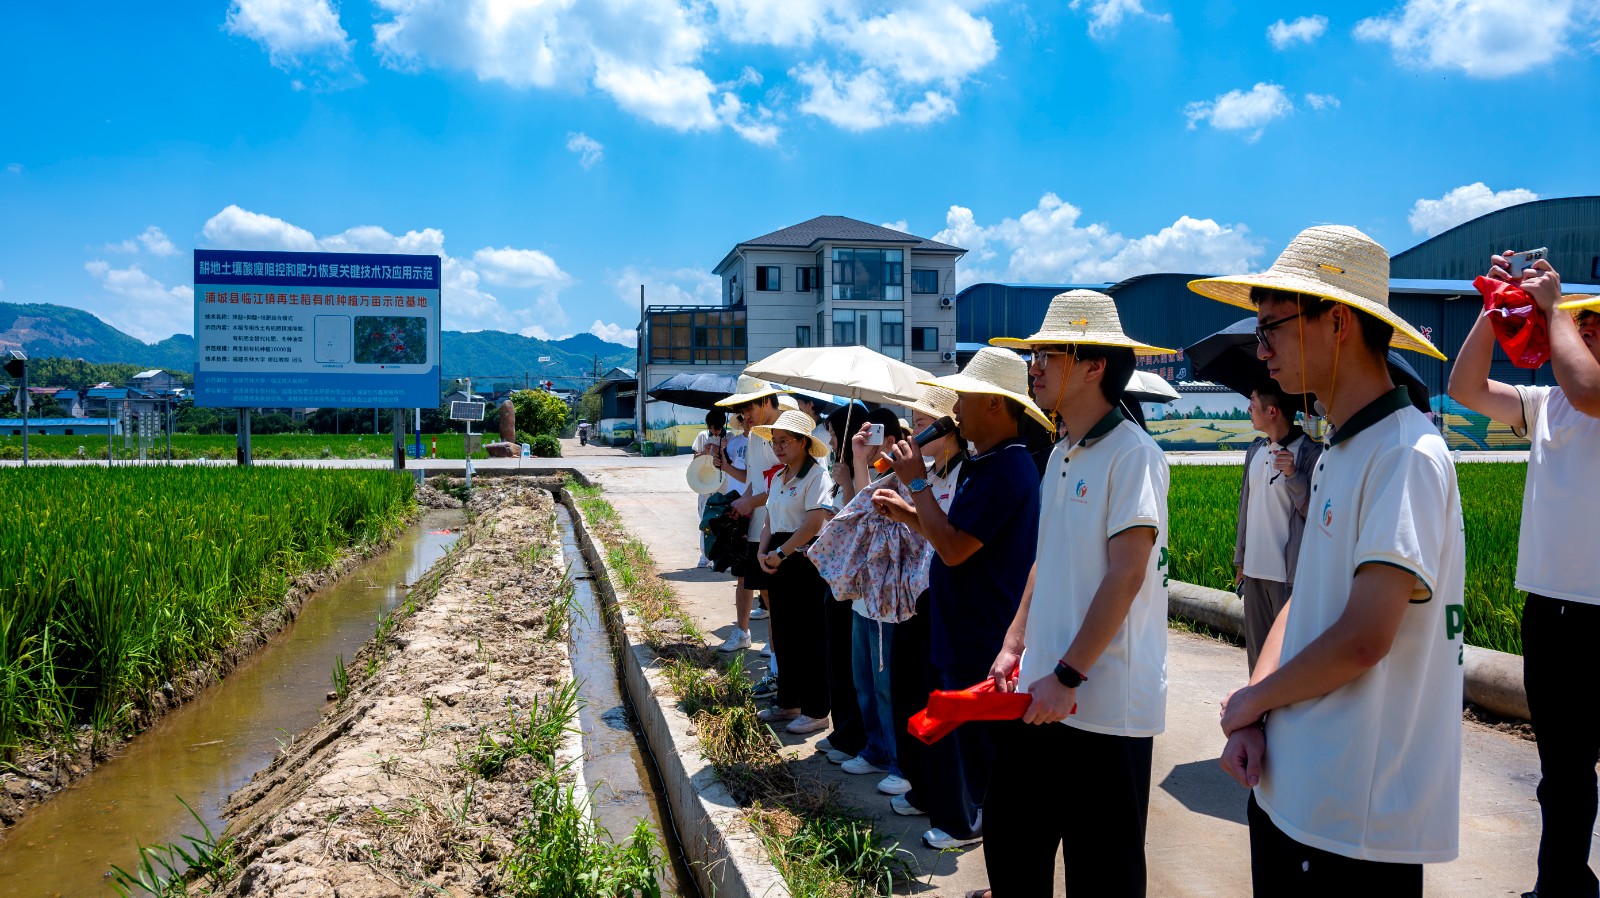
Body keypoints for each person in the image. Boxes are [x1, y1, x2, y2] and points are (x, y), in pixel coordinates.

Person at [1192, 225, 1465, 896]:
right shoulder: (1340, 451)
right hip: (1295, 790)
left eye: (1272, 330)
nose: (1262, 353)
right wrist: (1255, 712)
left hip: (1352, 822)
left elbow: (1366, 637)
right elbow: (1303, 597)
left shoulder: (1405, 455)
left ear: (1337, 321)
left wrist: (1255, 697)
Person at [980, 289, 1173, 897]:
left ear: (1095, 365)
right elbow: (1048, 558)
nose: (1033, 367)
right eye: (1033, 354)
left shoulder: (1133, 455)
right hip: (1043, 687)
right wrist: (1015, 643)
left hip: (1102, 705)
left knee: (1102, 872)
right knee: (1011, 841)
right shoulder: (1061, 451)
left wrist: (1068, 675)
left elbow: (1127, 573)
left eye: (1049, 355)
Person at [1447, 254, 1600, 898]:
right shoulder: (1545, 405)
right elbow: (1465, 388)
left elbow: (1589, 389)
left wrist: (1555, 305)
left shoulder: (1588, 396)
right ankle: (1562, 885)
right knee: (1561, 770)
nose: (1580, 333)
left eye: (1593, 328)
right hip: (1550, 608)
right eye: (1578, 326)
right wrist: (1497, 309)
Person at [873, 347, 1045, 851]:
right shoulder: (984, 463)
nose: (954, 412)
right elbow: (957, 536)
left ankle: (980, 836)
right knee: (974, 751)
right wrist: (910, 513)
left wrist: (917, 482)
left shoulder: (1006, 469)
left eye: (963, 399)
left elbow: (952, 549)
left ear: (995, 404)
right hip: (963, 626)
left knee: (991, 760)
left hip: (984, 631)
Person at [751, 409, 836, 735]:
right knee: (784, 632)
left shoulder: (818, 476)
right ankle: (789, 702)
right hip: (776, 557)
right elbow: (771, 518)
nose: (778, 447)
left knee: (810, 635)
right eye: (775, 442)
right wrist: (762, 550)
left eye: (785, 441)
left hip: (803, 558)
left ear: (804, 442)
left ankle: (816, 710)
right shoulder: (779, 476)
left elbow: (814, 522)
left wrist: (780, 553)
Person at [1234, 381, 1322, 672]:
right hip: (1255, 572)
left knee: (1287, 660)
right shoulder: (1255, 450)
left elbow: (1314, 512)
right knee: (1256, 659)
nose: (1248, 409)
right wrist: (1240, 561)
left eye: (1252, 403)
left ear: (1272, 411)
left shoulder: (1310, 454)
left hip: (1287, 577)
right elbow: (1245, 508)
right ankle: (1256, 716)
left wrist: (1293, 474)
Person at [713, 378, 787, 655]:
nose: (746, 417)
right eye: (742, 413)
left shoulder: (786, 432)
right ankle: (774, 647)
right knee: (761, 586)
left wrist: (750, 502)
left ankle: (778, 647)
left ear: (766, 401)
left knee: (776, 591)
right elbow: (756, 480)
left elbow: (788, 488)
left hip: (783, 526)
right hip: (758, 526)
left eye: (749, 410)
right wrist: (742, 504)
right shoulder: (756, 435)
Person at [693, 409, 729, 568]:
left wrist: (724, 449)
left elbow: (731, 462)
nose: (715, 431)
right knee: (705, 519)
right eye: (713, 428)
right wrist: (705, 452)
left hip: (723, 484)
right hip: (705, 483)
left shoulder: (730, 437)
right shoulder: (702, 436)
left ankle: (721, 557)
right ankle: (705, 555)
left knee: (724, 520)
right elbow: (694, 459)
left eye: (718, 428)